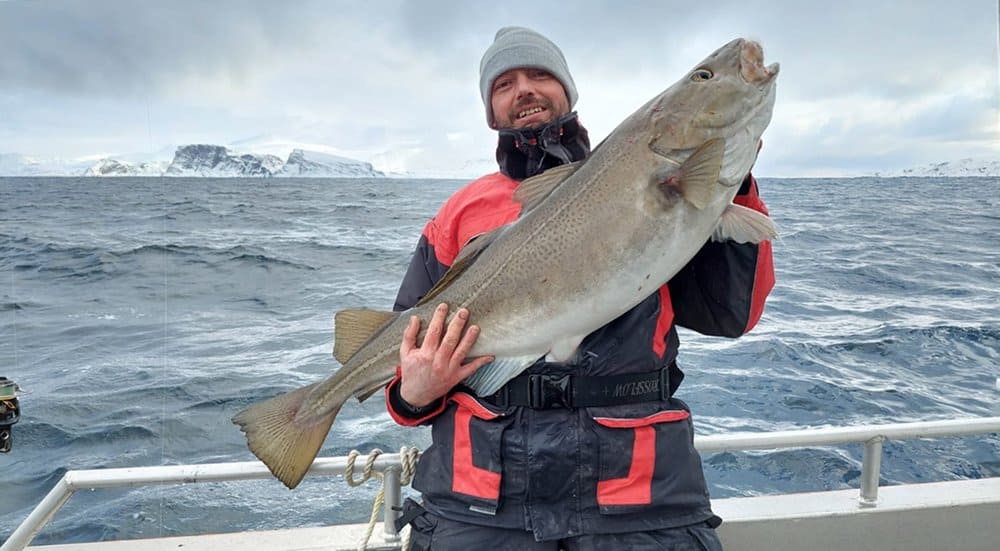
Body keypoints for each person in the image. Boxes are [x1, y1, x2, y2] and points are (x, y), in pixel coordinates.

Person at [384, 26, 774, 551]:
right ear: (490, 111)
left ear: (567, 90)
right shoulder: (459, 214)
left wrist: (733, 181)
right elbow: (401, 360)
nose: (524, 89)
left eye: (540, 75)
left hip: (637, 493)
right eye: (504, 84)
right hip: (482, 499)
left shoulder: (655, 183)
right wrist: (413, 394)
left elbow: (730, 315)